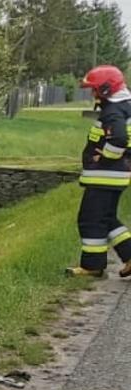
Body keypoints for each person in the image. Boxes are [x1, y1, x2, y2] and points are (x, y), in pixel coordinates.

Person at [73, 65, 131, 278]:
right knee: (107, 219)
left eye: (94, 89)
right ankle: (129, 256)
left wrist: (105, 156)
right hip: (116, 176)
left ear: (106, 89)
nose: (93, 93)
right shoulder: (125, 106)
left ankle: (92, 266)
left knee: (89, 219)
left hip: (105, 175)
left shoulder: (112, 111)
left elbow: (119, 139)